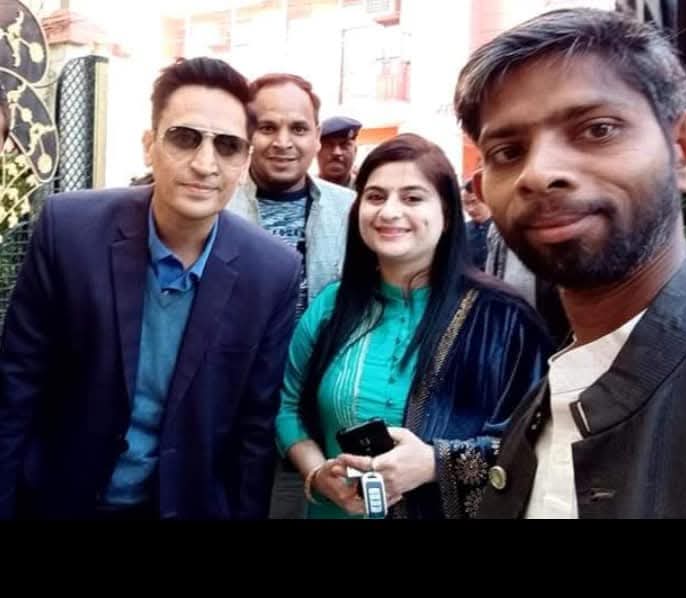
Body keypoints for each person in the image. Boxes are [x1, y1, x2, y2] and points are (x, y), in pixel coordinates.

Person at [454, 7, 686, 517]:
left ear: (685, 150)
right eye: (508, 151)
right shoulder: (541, 408)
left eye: (597, 129)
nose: (539, 173)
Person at [0, 57, 301, 520]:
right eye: (184, 137)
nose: (205, 164)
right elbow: (16, 387)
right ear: (149, 145)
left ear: (244, 163)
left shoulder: (272, 271)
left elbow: (253, 431)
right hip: (61, 498)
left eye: (227, 146)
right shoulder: (69, 230)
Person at [276, 133, 553, 519]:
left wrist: (434, 464)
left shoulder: (504, 320)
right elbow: (288, 405)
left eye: (412, 198)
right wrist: (318, 474)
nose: (389, 212)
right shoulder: (333, 305)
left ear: (448, 214)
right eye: (375, 197)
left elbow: (540, 443)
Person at [227, 73, 354, 518]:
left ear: (316, 137)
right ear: (248, 134)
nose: (283, 142)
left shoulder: (351, 211)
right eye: (268, 127)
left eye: (298, 128)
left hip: (314, 420)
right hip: (231, 416)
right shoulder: (218, 206)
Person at [317, 116, 362, 189]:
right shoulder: (303, 190)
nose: (336, 153)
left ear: (355, 151)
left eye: (344, 145)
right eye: (328, 145)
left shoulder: (365, 190)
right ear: (316, 151)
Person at [461, 179, 492, 271]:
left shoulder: (503, 230)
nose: (470, 209)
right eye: (465, 203)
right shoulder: (461, 231)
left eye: (474, 202)